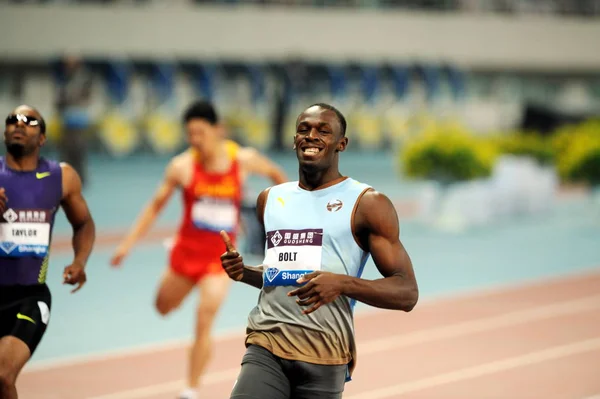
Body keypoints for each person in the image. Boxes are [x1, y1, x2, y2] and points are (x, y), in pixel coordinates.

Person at [219, 103, 419, 399]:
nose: (311, 136)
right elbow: (285, 274)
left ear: (342, 144)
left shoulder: (367, 204)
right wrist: (244, 272)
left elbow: (407, 293)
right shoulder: (271, 199)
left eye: (323, 131)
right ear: (294, 140)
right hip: (267, 343)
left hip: (325, 353)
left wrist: (342, 284)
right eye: (304, 129)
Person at [109, 100, 288, 399]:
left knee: (204, 318)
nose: (194, 140)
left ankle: (190, 389)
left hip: (219, 260)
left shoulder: (242, 159)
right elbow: (155, 207)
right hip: (184, 256)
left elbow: (276, 174)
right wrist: (126, 245)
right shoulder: (182, 166)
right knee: (162, 306)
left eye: (200, 133)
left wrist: (289, 213)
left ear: (217, 130)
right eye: (189, 134)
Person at [0, 105, 95, 399]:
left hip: (29, 298)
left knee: (2, 376)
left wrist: (80, 261)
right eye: (12, 120)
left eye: (29, 121)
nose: (19, 124)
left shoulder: (62, 177)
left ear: (42, 138)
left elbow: (84, 224)